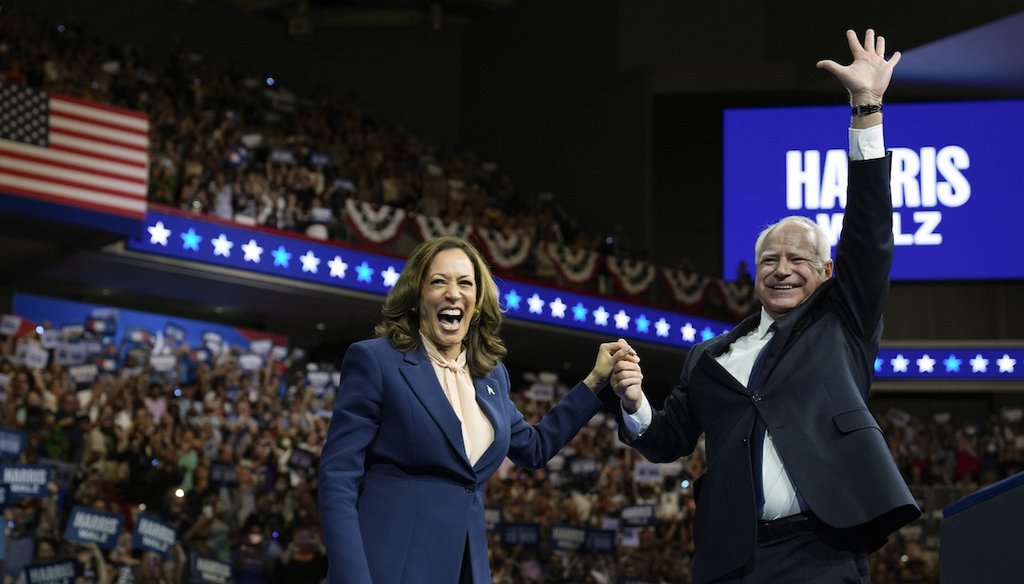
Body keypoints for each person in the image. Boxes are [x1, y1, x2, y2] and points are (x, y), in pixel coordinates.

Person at [610, 30, 920, 583]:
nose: (781, 268)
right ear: (755, 275)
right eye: (769, 259)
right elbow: (666, 441)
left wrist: (866, 110)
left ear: (827, 273)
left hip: (824, 550)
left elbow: (869, 232)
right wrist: (633, 402)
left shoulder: (840, 322)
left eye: (798, 258)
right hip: (736, 559)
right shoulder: (708, 359)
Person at [318, 235, 633, 583]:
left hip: (466, 570)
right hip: (388, 566)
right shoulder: (376, 360)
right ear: (416, 297)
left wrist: (595, 381)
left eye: (465, 283)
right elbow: (337, 480)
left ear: (478, 302)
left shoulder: (490, 375)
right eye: (439, 281)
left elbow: (534, 448)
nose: (453, 293)